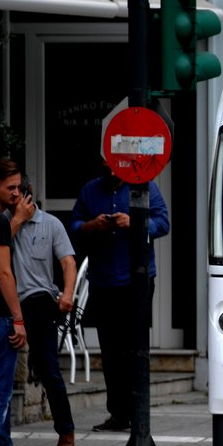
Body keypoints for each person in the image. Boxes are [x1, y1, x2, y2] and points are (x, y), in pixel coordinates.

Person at [70, 165, 169, 432]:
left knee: (135, 346)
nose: (114, 175)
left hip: (137, 280)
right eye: (109, 169)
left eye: (118, 170)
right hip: (103, 280)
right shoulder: (90, 190)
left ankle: (138, 412)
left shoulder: (146, 187)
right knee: (110, 349)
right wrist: (91, 225)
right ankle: (118, 413)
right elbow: (74, 225)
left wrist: (135, 222)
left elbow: (163, 223)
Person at [8, 177, 77, 446]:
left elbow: (68, 262)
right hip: (8, 299)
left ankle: (66, 430)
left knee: (49, 368)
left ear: (29, 195)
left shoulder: (51, 224)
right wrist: (16, 220)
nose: (13, 201)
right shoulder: (5, 223)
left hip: (38, 299)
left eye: (18, 195)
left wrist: (68, 294)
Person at [0, 159, 29, 446]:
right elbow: (4, 273)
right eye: (10, 187)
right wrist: (18, 319)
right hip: (0, 317)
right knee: (0, 392)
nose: (17, 193)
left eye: (19, 187)